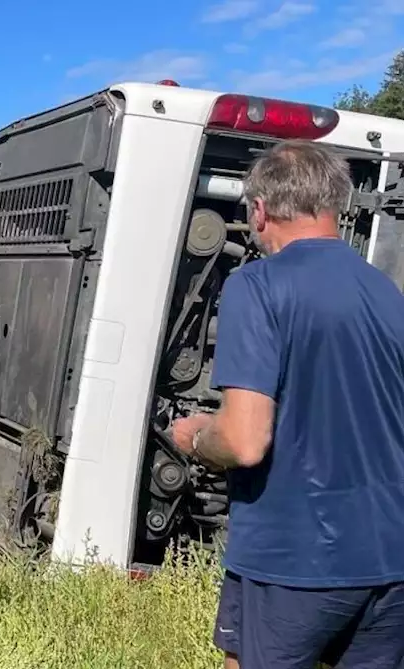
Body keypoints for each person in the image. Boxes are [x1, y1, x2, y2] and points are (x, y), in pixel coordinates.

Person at [170, 140, 405, 669]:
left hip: (294, 561)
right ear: (336, 204)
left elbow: (246, 441)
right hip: (392, 563)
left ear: (258, 210)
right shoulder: (388, 295)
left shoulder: (257, 285)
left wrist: (197, 435)